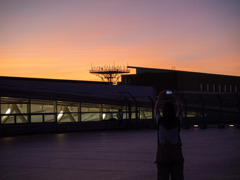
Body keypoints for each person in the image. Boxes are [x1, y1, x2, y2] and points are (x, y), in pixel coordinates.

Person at [155, 90, 184, 180]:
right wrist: (176, 97)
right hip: (176, 156)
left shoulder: (160, 123)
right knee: (178, 176)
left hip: (162, 156)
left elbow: (156, 110)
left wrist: (159, 98)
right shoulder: (177, 122)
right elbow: (181, 110)